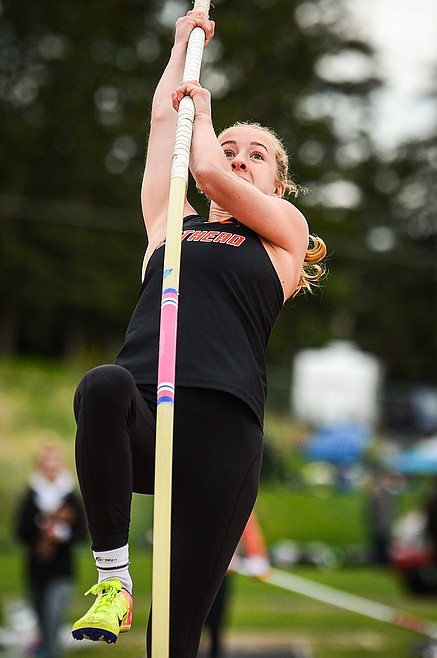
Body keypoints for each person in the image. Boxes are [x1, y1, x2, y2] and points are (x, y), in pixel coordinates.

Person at [71, 10, 326, 658]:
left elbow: (208, 172)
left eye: (255, 155)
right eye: (230, 147)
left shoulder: (284, 236)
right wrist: (183, 45)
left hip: (222, 430)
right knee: (102, 386)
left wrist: (207, 123)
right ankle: (113, 580)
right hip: (147, 407)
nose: (238, 159)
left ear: (278, 185)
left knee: (175, 637)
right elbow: (165, 125)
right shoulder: (169, 227)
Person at [15, 442, 87, 658]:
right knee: (41, 618)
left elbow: (82, 533)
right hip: (36, 569)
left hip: (62, 569)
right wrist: (42, 530)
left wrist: (62, 534)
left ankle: (52, 653)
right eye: (47, 464)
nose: (51, 469)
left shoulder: (70, 497)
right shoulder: (31, 495)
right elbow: (21, 531)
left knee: (53, 616)